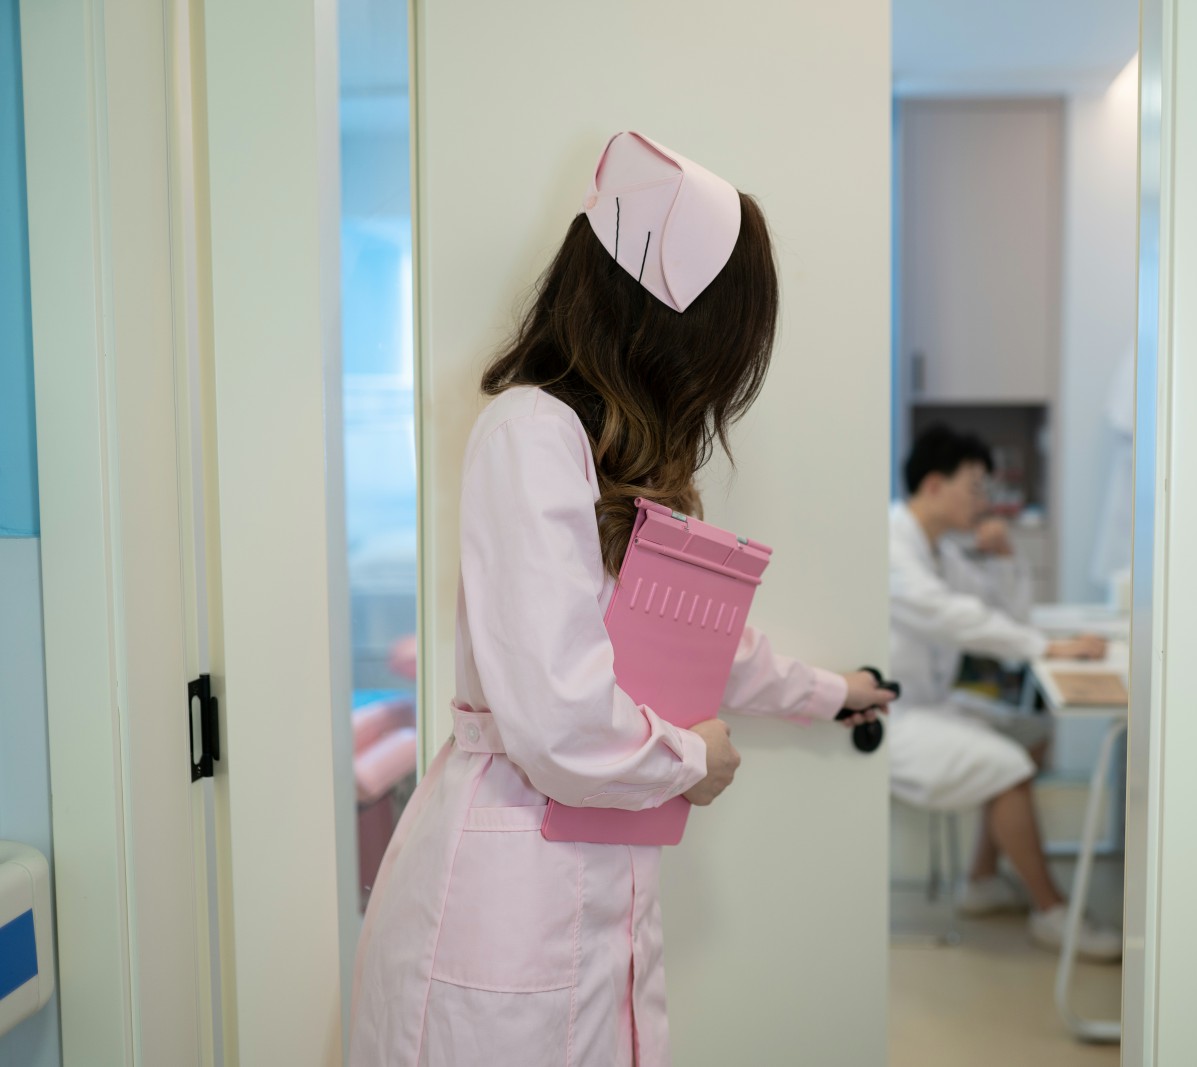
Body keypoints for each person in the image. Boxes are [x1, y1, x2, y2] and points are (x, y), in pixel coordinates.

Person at [348, 132, 897, 1066]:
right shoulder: (529, 431)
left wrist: (830, 691)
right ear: (670, 321)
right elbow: (559, 718)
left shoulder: (604, 452)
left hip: (587, 880)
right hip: (508, 890)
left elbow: (689, 639)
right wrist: (692, 760)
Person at [888, 424, 1120, 956]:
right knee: (1009, 767)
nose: (984, 502)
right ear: (934, 485)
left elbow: (1003, 614)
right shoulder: (893, 547)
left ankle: (981, 880)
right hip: (892, 717)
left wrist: (1007, 558)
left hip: (933, 704)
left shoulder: (940, 551)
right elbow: (954, 617)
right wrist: (1048, 648)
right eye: (975, 487)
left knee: (1032, 734)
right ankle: (1052, 912)